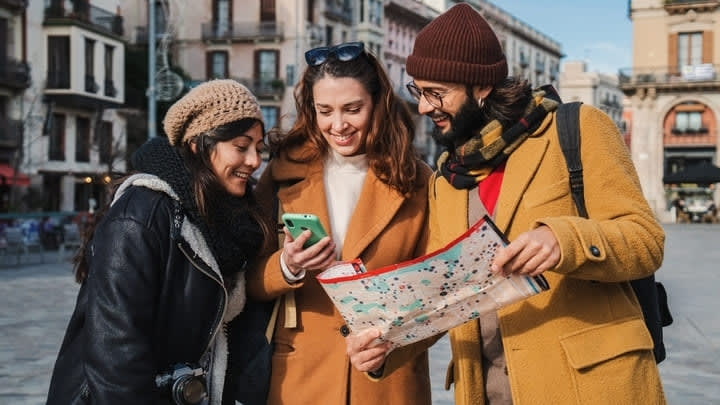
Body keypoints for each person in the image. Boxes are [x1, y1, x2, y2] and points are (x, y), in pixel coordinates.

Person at [346, 3, 667, 404]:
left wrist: (563, 239)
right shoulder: (448, 179)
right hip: (489, 392)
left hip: (589, 387)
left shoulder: (577, 128)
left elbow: (646, 239)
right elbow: (447, 295)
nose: (425, 106)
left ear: (481, 88)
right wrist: (387, 346)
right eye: (418, 91)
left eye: (437, 93)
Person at [46, 79, 271, 405]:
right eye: (241, 146)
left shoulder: (224, 221)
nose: (254, 160)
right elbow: (116, 351)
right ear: (198, 144)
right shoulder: (141, 214)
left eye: (258, 148)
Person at [246, 42, 433, 405]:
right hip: (299, 383)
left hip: (388, 386)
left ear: (378, 104)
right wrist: (287, 266)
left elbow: (438, 296)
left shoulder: (419, 182)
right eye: (324, 111)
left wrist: (389, 347)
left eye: (352, 109)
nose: (338, 125)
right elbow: (246, 280)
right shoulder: (281, 176)